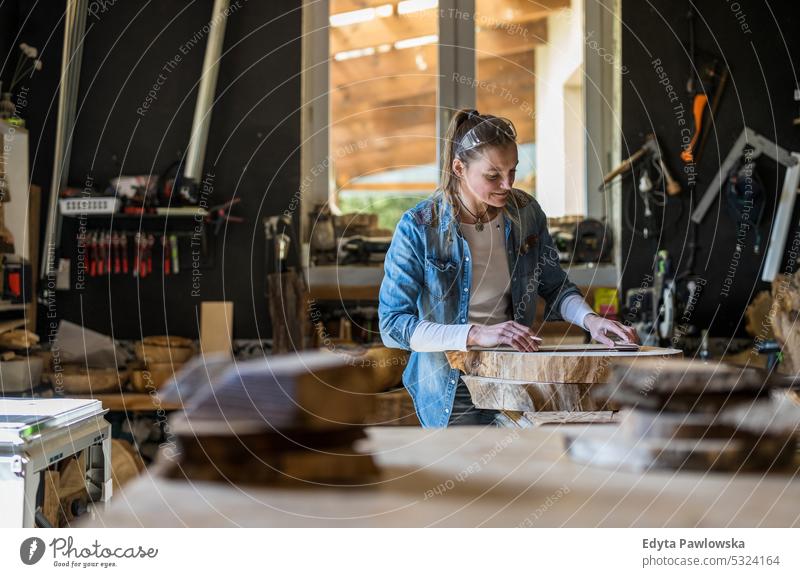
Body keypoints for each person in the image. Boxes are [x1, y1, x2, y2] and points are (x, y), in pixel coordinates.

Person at [378, 109, 638, 427]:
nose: (507, 184)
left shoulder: (526, 213)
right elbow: (393, 326)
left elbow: (554, 285)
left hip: (514, 375)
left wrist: (591, 321)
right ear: (459, 168)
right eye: (493, 175)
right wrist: (475, 334)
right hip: (449, 381)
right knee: (473, 472)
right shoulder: (418, 227)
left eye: (512, 171)